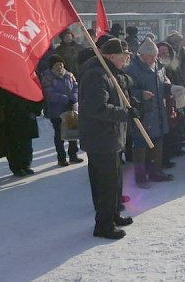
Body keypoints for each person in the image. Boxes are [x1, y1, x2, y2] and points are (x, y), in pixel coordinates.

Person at [78, 38, 135, 240]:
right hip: (101, 137)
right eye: (124, 56)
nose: (126, 60)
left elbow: (115, 94)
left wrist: (128, 103)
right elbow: (97, 108)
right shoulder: (96, 74)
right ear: (111, 56)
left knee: (115, 180)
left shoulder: (108, 72)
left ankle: (112, 215)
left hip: (110, 136)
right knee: (106, 183)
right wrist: (125, 113)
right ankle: (103, 225)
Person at [126, 38, 173, 188]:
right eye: (151, 56)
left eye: (155, 55)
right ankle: (140, 178)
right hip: (142, 113)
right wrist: (140, 94)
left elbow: (164, 81)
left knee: (157, 144)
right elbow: (126, 91)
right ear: (142, 55)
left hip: (158, 111)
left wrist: (168, 86)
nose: (154, 58)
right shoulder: (132, 69)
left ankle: (156, 172)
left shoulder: (159, 67)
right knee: (140, 146)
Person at [41, 55, 82, 166]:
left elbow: (75, 86)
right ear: (52, 66)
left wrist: (74, 97)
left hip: (70, 108)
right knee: (59, 135)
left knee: (72, 132)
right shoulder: (48, 77)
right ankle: (61, 158)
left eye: (61, 64)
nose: (59, 66)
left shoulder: (69, 75)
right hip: (56, 110)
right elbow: (49, 93)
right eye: (56, 65)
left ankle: (73, 155)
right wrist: (64, 99)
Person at [4, 92, 42, 176]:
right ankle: (16, 168)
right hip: (11, 116)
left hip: (27, 115)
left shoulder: (27, 81)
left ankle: (26, 165)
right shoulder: (7, 84)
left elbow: (38, 95)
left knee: (26, 144)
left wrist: (35, 110)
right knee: (14, 144)